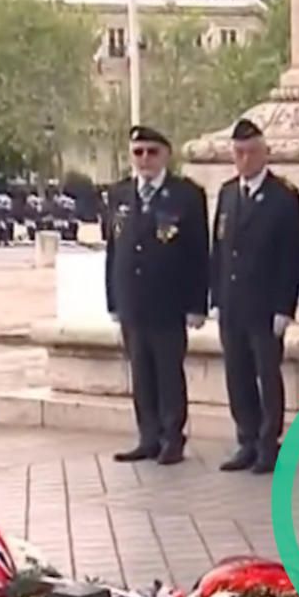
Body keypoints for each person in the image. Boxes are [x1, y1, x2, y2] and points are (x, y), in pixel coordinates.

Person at [104, 125, 210, 466]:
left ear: (166, 154)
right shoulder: (120, 193)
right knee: (141, 373)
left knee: (168, 373)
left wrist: (197, 304)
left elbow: (198, 253)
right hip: (133, 301)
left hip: (168, 301)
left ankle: (172, 437)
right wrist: (113, 300)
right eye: (138, 152)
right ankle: (147, 436)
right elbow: (113, 249)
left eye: (152, 152)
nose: (145, 159)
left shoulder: (185, 195)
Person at [210, 119, 299, 475]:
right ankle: (246, 439)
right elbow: (219, 249)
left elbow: (290, 256)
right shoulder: (228, 193)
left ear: (264, 153)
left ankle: (269, 443)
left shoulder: (283, 196)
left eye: (250, 152)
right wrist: (215, 296)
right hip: (233, 302)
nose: (244, 159)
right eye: (238, 153)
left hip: (265, 305)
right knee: (237, 374)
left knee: (267, 374)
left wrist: (284, 306)